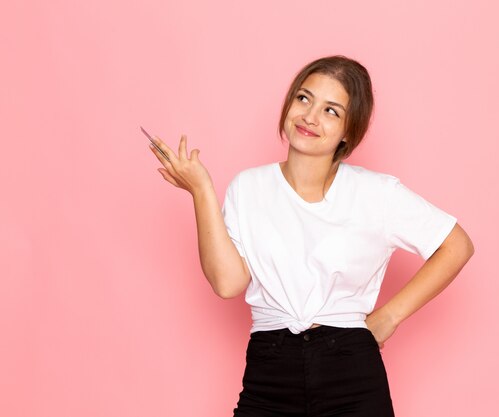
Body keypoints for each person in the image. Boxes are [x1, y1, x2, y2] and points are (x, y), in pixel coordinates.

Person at [148, 55, 474, 417]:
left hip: (351, 367)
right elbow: (227, 283)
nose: (310, 117)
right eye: (304, 99)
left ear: (350, 131)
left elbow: (456, 245)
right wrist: (202, 190)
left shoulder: (376, 194)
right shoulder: (249, 187)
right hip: (269, 367)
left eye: (331, 111)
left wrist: (389, 317)